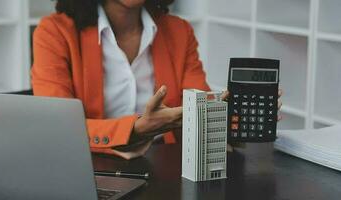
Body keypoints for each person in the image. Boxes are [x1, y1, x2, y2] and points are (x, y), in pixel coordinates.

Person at [32, 0, 282, 159]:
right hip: (89, 167)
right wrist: (135, 130)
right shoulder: (54, 32)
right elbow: (58, 128)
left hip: (169, 167)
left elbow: (198, 109)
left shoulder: (178, 31)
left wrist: (231, 122)